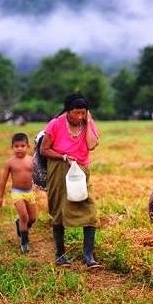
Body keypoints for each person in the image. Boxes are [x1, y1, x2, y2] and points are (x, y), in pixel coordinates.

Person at [40, 93, 101, 268]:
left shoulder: (87, 123)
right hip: (59, 169)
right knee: (59, 210)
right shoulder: (55, 124)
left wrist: (88, 121)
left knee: (89, 210)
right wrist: (63, 157)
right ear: (68, 111)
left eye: (83, 113)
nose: (79, 117)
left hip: (81, 170)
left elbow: (91, 145)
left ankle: (88, 255)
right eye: (76, 113)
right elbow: (45, 149)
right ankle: (60, 254)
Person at [0, 132, 37, 253]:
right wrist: (0, 197)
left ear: (28, 146)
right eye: (16, 146)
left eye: (22, 145)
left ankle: (19, 223)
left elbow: (39, 175)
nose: (19, 148)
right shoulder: (10, 162)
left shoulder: (32, 160)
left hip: (30, 192)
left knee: (32, 218)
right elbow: (3, 180)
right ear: (12, 147)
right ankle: (24, 242)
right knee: (24, 216)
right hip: (17, 192)